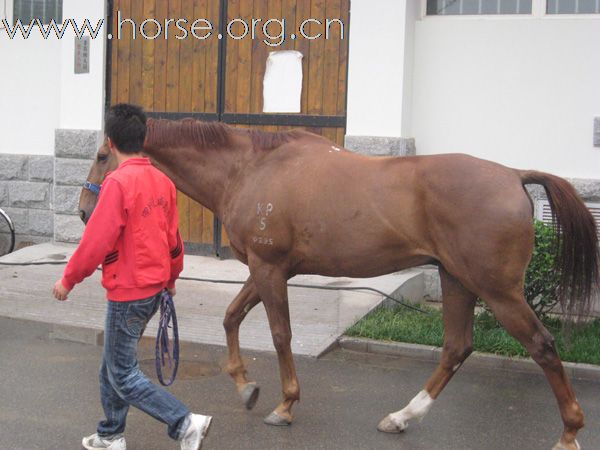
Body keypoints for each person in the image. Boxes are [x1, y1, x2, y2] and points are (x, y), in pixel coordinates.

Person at [52, 104, 212, 450]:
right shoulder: (162, 182)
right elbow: (174, 241)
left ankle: (185, 423)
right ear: (143, 139)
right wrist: (171, 278)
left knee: (123, 374)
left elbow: (96, 241)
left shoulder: (117, 184)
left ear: (109, 143)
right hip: (153, 289)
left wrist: (68, 279)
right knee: (112, 363)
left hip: (128, 292)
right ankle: (110, 434)